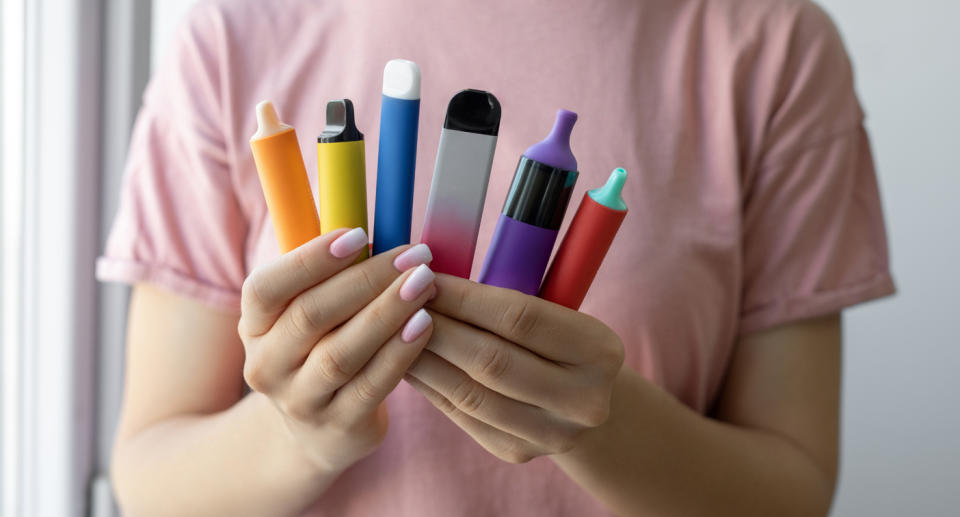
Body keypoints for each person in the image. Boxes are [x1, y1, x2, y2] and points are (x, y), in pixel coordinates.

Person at [97, 0, 895, 515]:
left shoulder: (772, 44)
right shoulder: (232, 37)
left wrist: (598, 424)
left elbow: (793, 489)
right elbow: (151, 479)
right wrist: (301, 436)